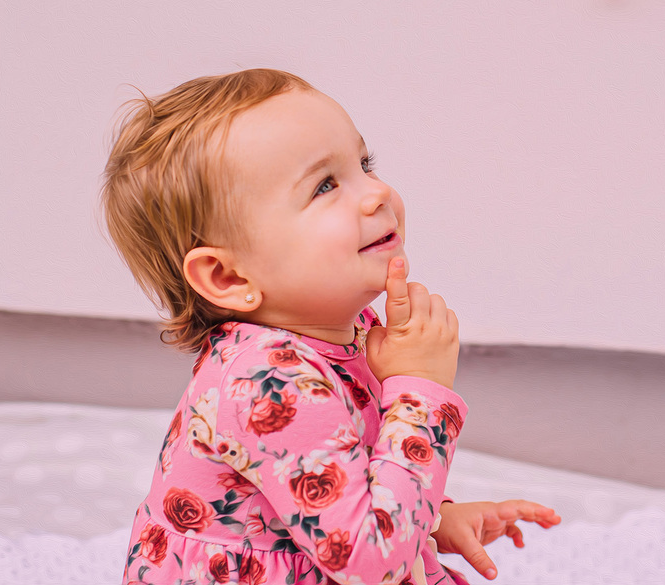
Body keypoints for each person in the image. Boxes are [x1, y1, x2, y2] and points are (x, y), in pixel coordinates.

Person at [102, 68, 560, 585]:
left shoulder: (346, 329)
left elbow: (338, 477)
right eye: (324, 186)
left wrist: (431, 520)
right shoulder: (267, 385)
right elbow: (367, 561)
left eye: (364, 164)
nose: (377, 193)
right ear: (228, 276)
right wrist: (422, 396)